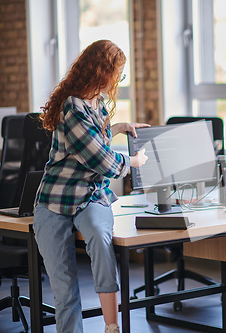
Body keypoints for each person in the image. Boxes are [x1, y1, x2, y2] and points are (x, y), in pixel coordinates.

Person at [33, 40, 149, 333]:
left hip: (89, 196)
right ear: (102, 72)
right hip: (55, 199)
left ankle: (111, 327)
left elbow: (96, 139)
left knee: (100, 235)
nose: (117, 81)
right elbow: (102, 160)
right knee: (64, 287)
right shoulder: (72, 107)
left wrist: (119, 127)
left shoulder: (95, 101)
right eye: (118, 74)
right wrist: (134, 161)